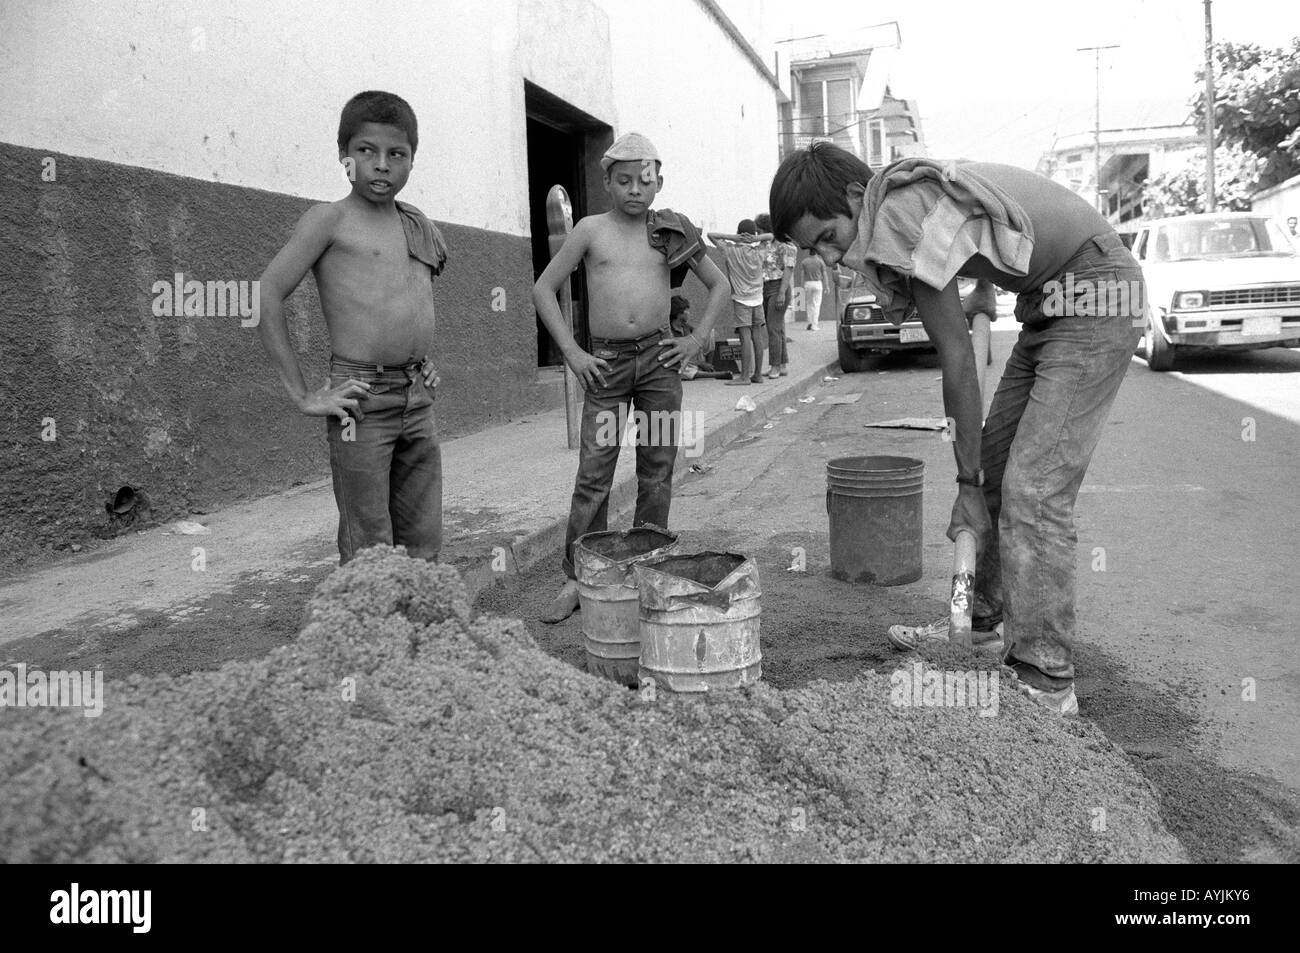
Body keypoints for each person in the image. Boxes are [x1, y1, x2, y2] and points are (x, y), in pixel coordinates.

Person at [771, 143, 1146, 716]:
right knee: (997, 470)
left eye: (826, 235)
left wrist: (966, 486)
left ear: (855, 198)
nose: (827, 255)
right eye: (811, 248)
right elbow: (996, 224)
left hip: (1095, 292)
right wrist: (984, 286)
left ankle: (1046, 679)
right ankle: (980, 629)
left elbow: (958, 363)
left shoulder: (897, 215)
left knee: (1034, 490)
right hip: (1051, 301)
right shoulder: (910, 198)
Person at [534, 132, 729, 622]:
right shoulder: (589, 230)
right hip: (606, 367)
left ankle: (648, 568)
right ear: (607, 182)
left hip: (660, 366)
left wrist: (696, 339)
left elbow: (720, 284)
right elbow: (543, 288)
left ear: (659, 182)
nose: (634, 190)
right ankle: (578, 579)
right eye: (623, 180)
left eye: (645, 180)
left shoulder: (669, 232)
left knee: (657, 469)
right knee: (594, 474)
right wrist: (573, 353)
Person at [257, 90, 447, 565]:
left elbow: (407, 301)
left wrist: (422, 359)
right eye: (367, 152)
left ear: (411, 161)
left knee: (424, 538)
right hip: (359, 400)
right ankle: (372, 635)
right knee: (370, 545)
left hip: (417, 394)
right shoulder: (330, 220)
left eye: (396, 154)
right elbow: (266, 293)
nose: (382, 165)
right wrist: (303, 395)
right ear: (345, 157)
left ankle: (416, 635)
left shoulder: (414, 225)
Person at [708, 220, 772, 385]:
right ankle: (757, 374)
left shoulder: (730, 250)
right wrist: (755, 239)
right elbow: (771, 236)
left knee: (745, 338)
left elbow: (710, 235)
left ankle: (744, 377)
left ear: (738, 232)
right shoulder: (759, 251)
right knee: (757, 336)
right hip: (758, 298)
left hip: (741, 300)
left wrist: (734, 238)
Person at [755, 213, 795, 377]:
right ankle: (782, 364)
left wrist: (781, 293)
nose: (758, 234)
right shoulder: (762, 245)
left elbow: (789, 269)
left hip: (779, 286)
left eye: (759, 230)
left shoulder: (785, 245)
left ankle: (775, 366)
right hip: (765, 287)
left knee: (773, 328)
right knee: (778, 327)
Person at [799, 251, 825, 330]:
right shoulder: (820, 261)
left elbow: (802, 275)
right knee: (816, 304)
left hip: (808, 283)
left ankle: (810, 322)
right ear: (816, 252)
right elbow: (824, 274)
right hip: (817, 283)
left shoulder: (804, 262)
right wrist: (827, 286)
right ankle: (814, 325)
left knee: (809, 304)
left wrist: (801, 285)